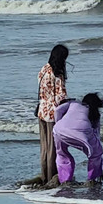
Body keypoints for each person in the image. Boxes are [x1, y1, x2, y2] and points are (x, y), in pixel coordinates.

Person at [52, 93, 103, 184]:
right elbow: (96, 133)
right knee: (96, 154)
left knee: (62, 154)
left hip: (59, 130)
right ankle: (92, 179)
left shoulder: (73, 103)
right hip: (82, 131)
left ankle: (65, 180)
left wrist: (58, 123)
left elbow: (57, 110)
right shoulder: (95, 114)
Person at [35, 45, 69, 187]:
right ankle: (52, 179)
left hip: (41, 111)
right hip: (53, 113)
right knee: (53, 149)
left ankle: (44, 177)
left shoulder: (43, 69)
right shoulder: (57, 73)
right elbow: (61, 96)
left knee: (44, 148)